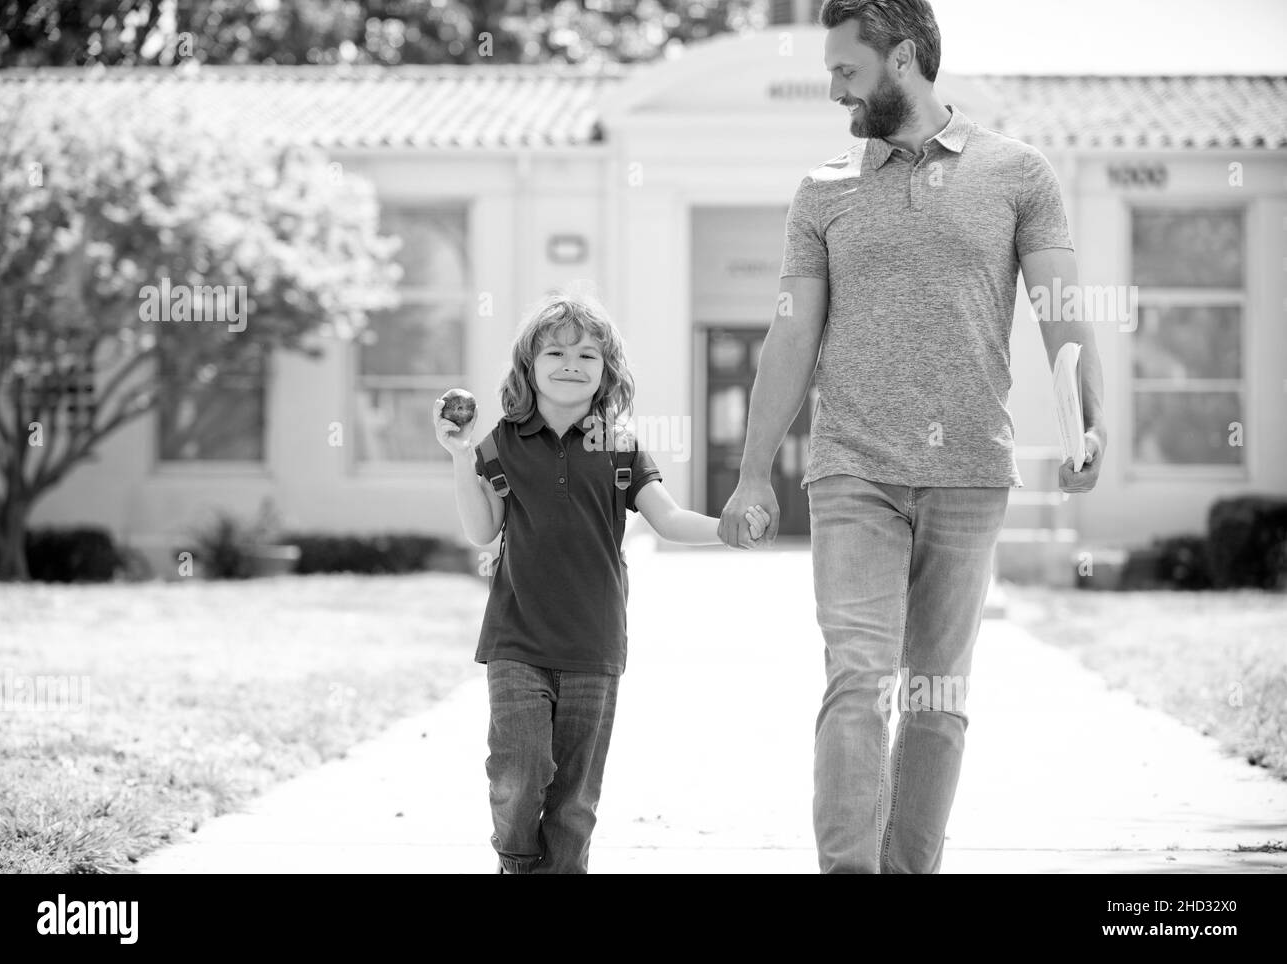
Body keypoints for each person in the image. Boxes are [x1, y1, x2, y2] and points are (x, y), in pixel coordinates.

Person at [717, 0, 1107, 873]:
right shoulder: (823, 187)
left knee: (936, 696)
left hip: (970, 471)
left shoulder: (1018, 174)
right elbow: (791, 335)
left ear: (901, 60)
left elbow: (1062, 310)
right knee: (859, 676)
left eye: (845, 71)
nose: (832, 91)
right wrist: (751, 475)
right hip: (854, 468)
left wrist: (1088, 417)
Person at [434, 288, 769, 874]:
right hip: (517, 638)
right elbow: (482, 530)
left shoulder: (620, 447)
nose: (571, 365)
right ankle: (516, 863)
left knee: (576, 798)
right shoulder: (502, 443)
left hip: (594, 644)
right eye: (555, 354)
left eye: (588, 355)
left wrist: (726, 530)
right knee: (518, 771)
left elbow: (667, 519)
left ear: (607, 372)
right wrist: (462, 459)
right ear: (528, 368)